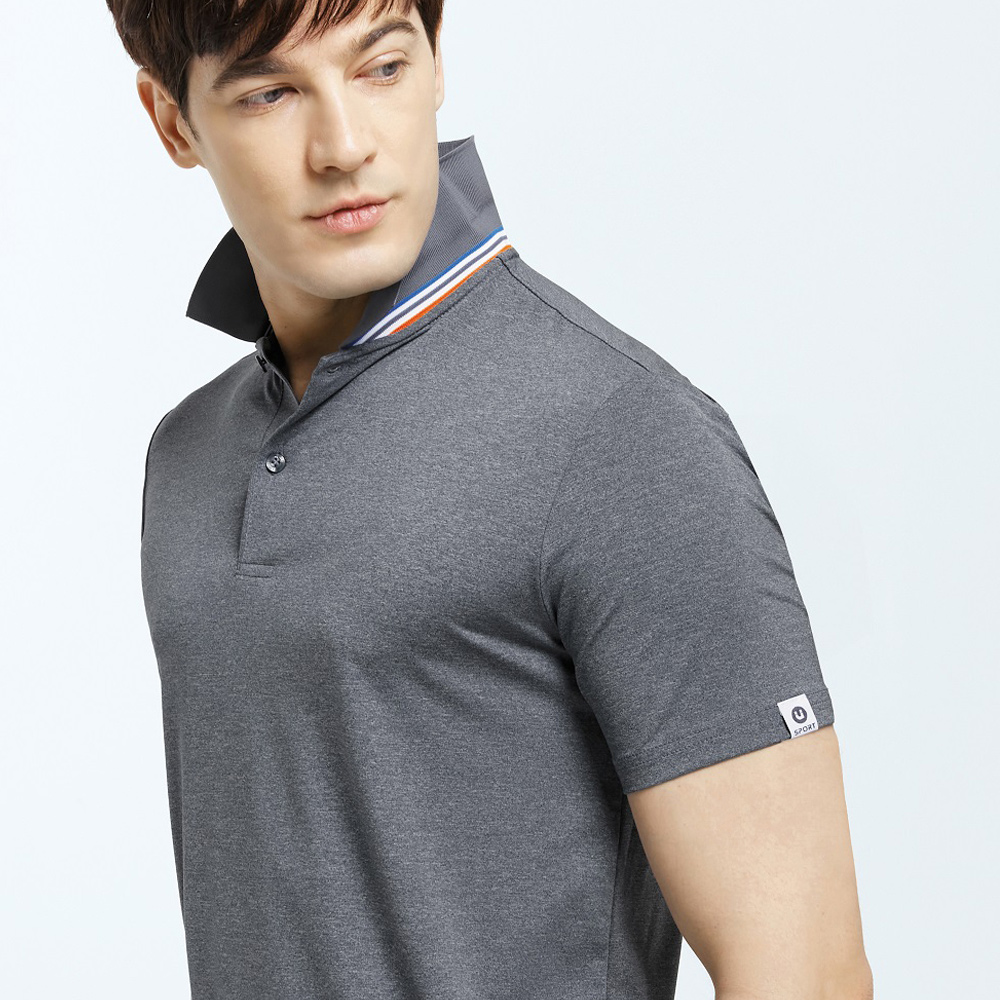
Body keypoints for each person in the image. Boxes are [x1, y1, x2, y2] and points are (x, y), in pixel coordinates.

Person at [107, 1, 874, 997]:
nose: (343, 146)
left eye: (381, 67)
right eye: (270, 93)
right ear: (173, 121)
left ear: (436, 63)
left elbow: (806, 971)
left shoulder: (619, 434)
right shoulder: (190, 453)